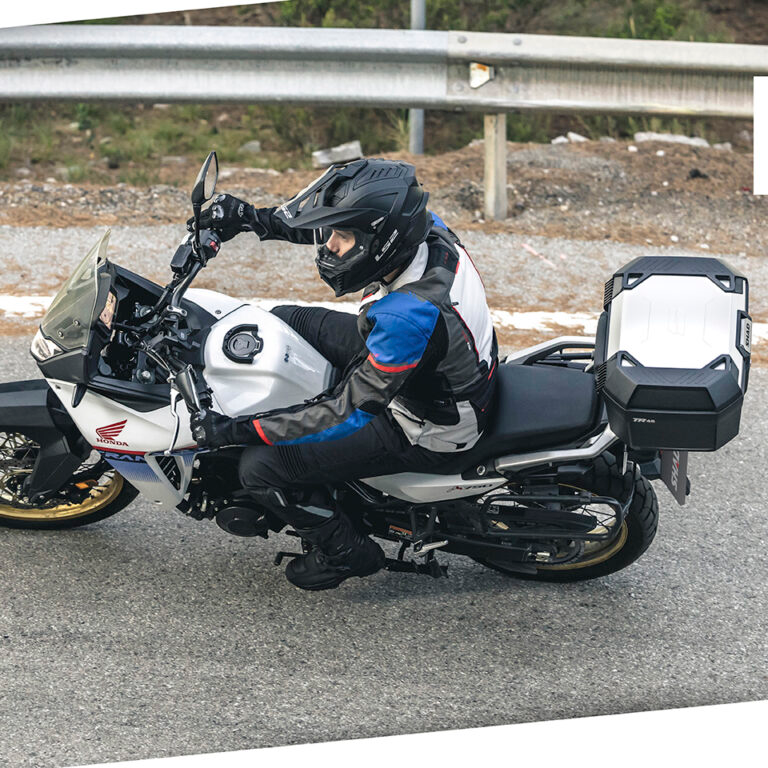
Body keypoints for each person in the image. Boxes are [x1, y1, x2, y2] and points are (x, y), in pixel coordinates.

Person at [190, 158, 498, 591]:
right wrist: (252, 218)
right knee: (285, 319)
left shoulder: (409, 315)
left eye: (343, 238)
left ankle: (346, 552)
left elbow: (347, 411)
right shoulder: (424, 230)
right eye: (333, 233)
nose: (330, 244)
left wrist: (237, 429)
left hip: (428, 424)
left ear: (380, 243)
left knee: (260, 467)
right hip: (434, 365)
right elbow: (349, 225)